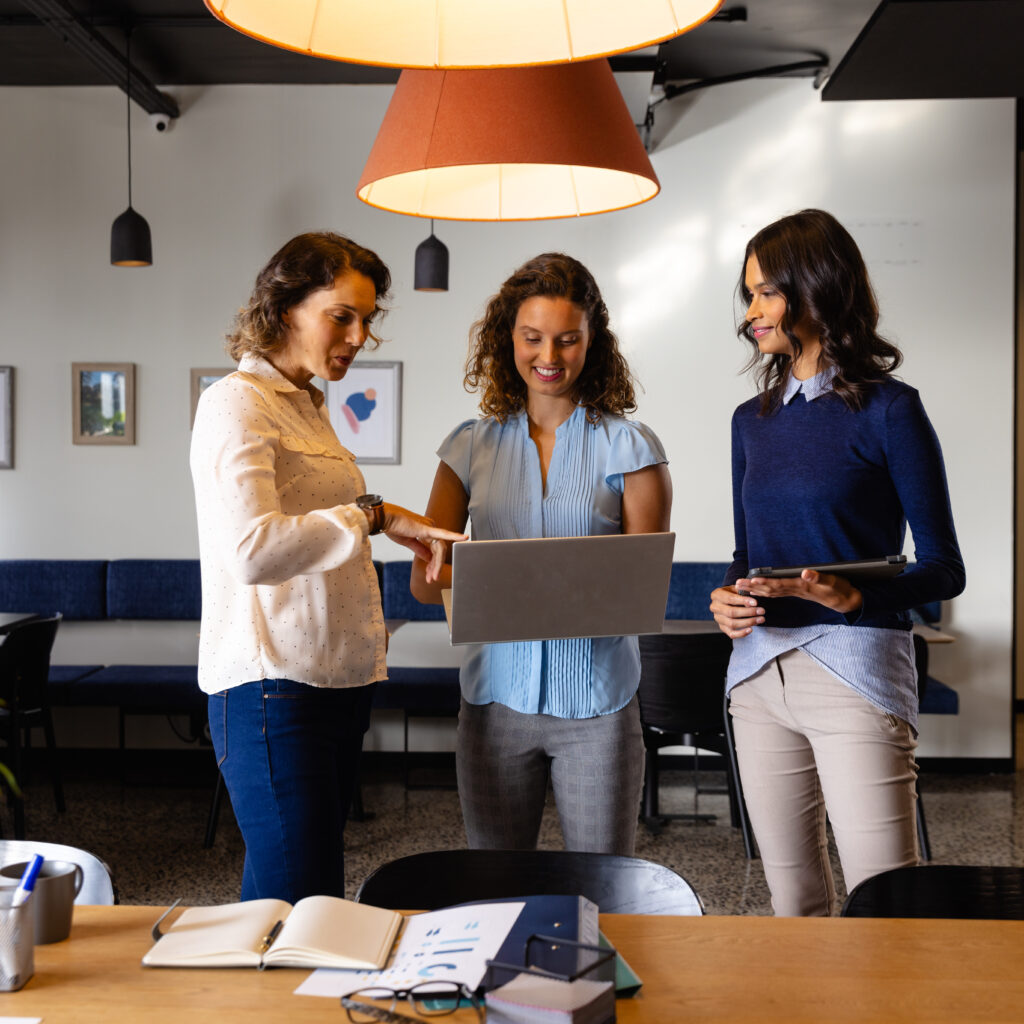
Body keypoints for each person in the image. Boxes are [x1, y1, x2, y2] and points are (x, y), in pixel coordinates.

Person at [190, 231, 465, 903]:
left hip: (332, 679)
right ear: (287, 309)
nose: (358, 334)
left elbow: (322, 518)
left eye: (367, 319)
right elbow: (255, 550)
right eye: (342, 314)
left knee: (293, 898)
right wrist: (371, 517)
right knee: (303, 899)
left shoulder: (307, 406)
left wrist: (386, 515)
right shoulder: (236, 402)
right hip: (269, 687)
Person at [709, 209, 965, 916]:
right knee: (794, 905)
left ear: (815, 289)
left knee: (887, 907)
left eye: (766, 293)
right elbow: (745, 555)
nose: (750, 313)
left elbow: (945, 567)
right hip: (758, 676)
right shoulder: (748, 420)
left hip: (855, 675)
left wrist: (856, 599)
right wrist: (726, 597)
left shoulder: (891, 411)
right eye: (748, 294)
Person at [410, 253, 672, 855]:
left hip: (600, 708)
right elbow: (425, 587)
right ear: (508, 340)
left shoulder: (631, 448)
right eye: (532, 338)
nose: (549, 357)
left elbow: (643, 590)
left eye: (567, 340)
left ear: (592, 342)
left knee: (603, 889)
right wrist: (466, 569)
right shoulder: (467, 447)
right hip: (494, 704)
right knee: (495, 892)